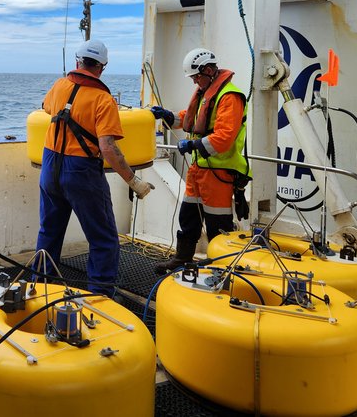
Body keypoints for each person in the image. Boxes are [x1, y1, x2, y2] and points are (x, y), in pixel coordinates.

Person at [35, 39, 154, 295]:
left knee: (49, 232)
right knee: (103, 240)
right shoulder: (103, 99)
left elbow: (46, 108)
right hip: (81, 173)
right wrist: (134, 181)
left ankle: (40, 289)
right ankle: (100, 300)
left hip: (50, 166)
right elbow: (108, 147)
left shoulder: (59, 85)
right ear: (101, 67)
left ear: (77, 62)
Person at [151, 47, 249, 274]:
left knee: (218, 225)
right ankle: (182, 259)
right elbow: (190, 118)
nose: (194, 81)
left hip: (219, 172)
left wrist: (193, 144)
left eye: (196, 76)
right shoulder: (207, 93)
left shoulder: (230, 96)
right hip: (199, 170)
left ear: (208, 70)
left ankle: (221, 269)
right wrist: (168, 115)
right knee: (188, 217)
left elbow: (223, 138)